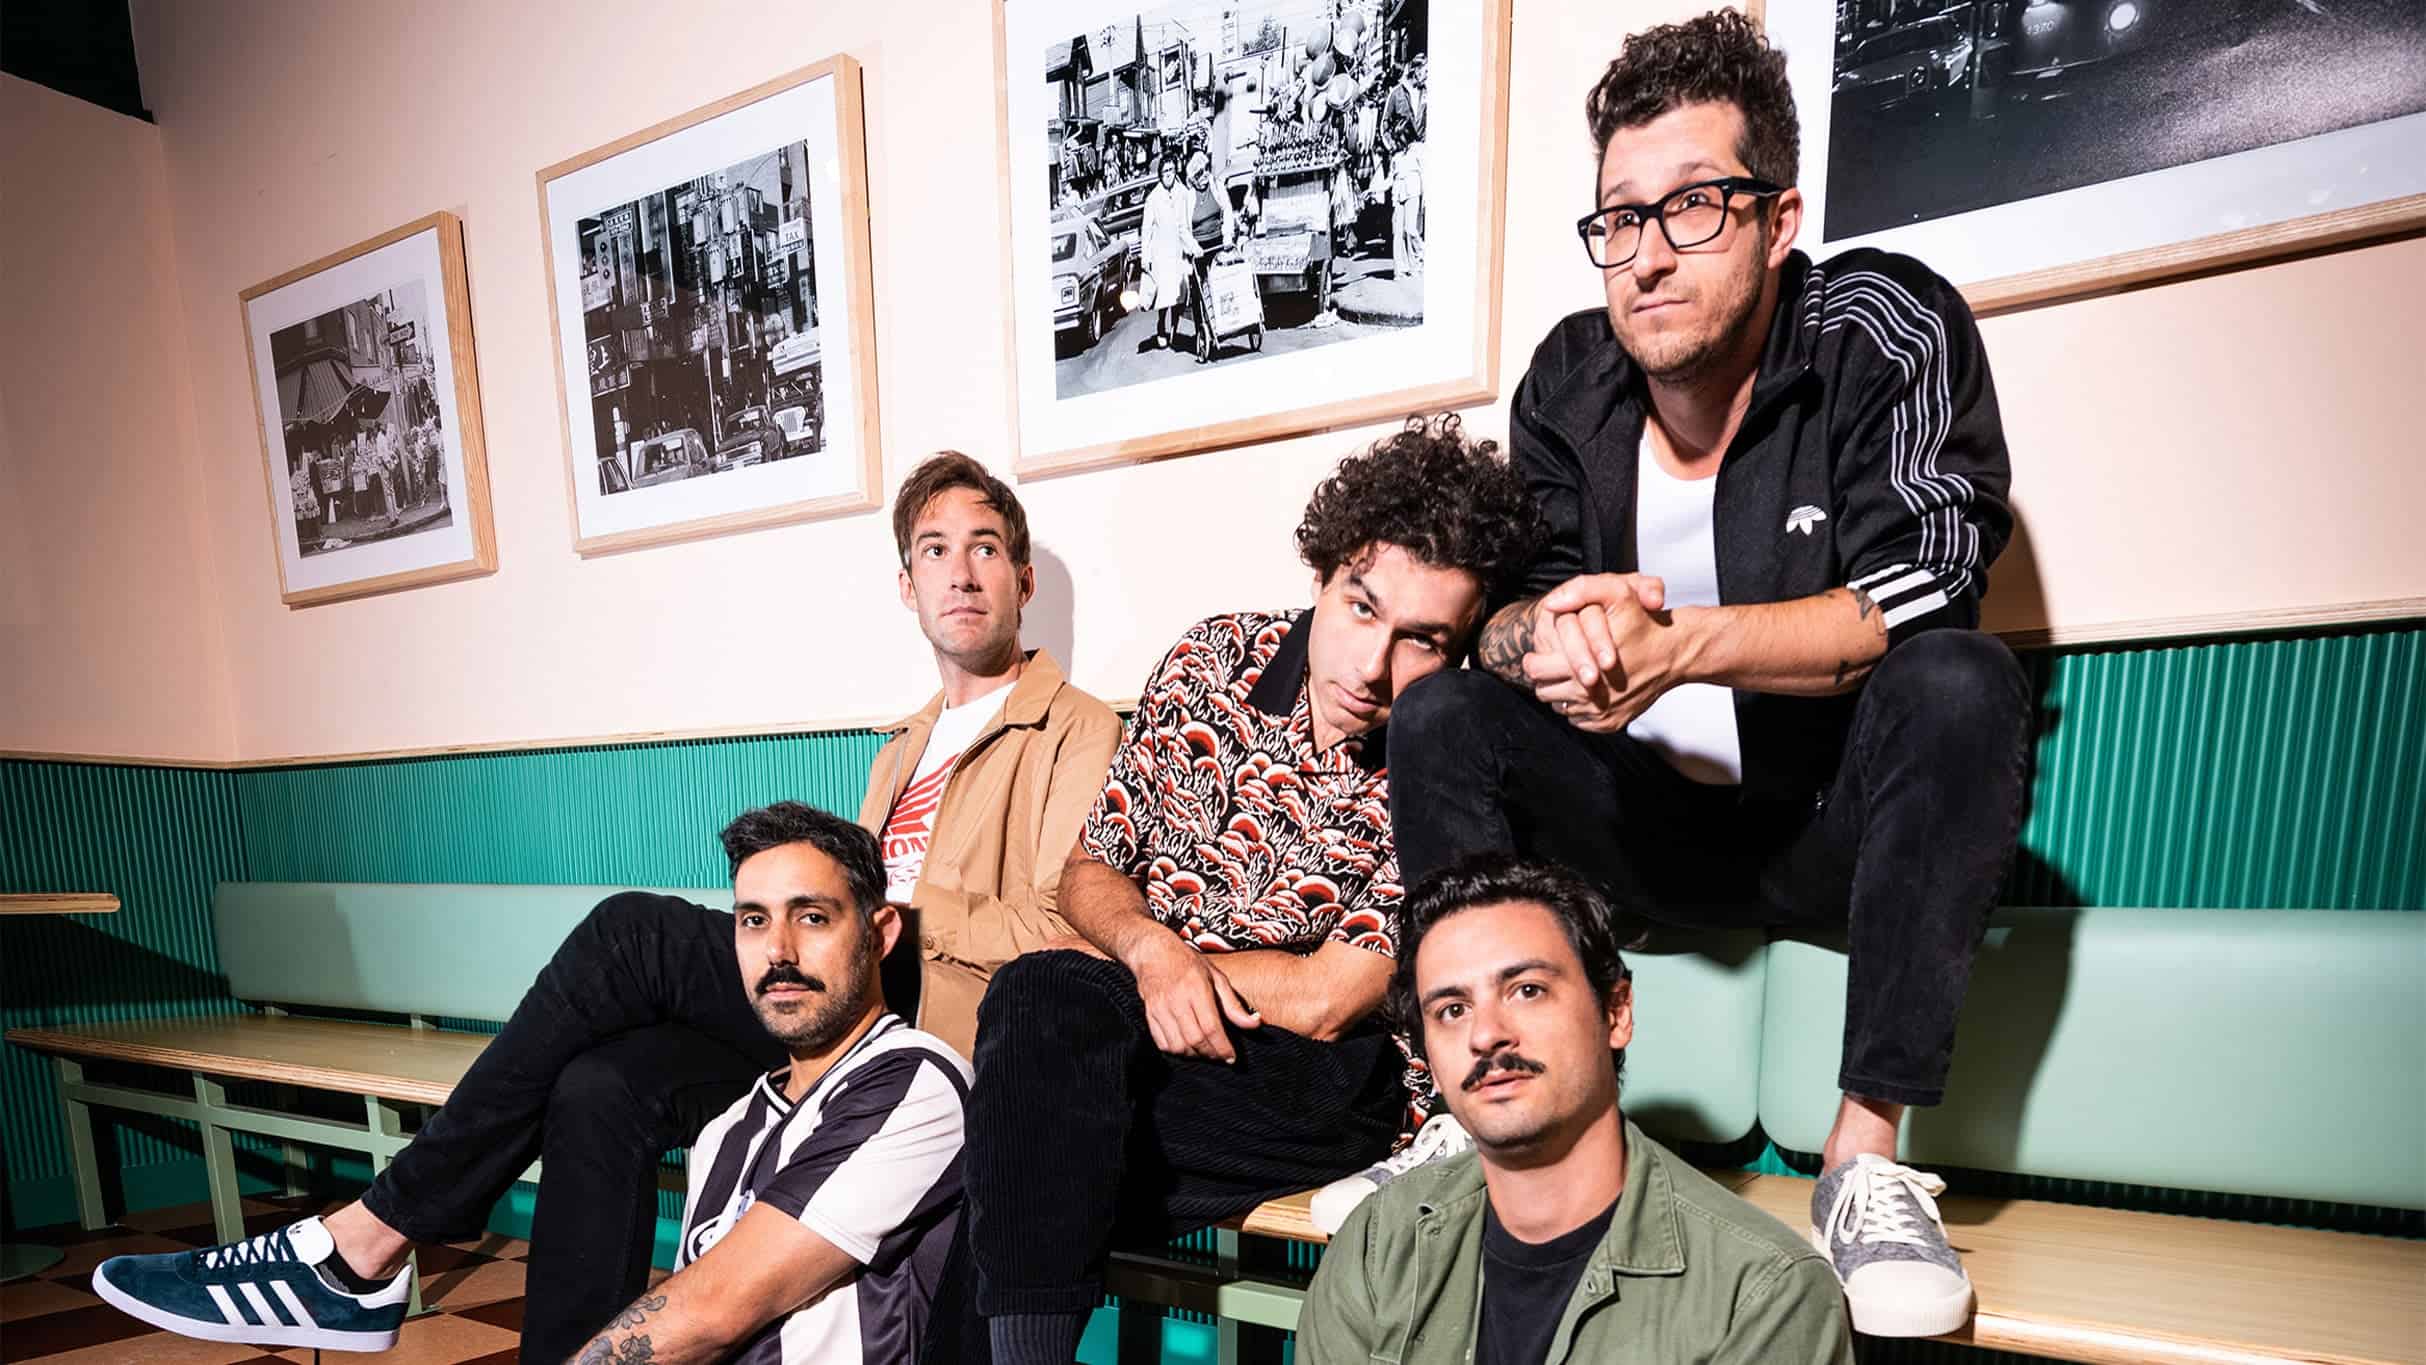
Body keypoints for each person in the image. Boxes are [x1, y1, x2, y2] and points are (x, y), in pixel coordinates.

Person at [93, 452, 1118, 1360]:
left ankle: (369, 1240)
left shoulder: (1076, 728)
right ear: (906, 585)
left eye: (985, 549)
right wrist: (835, 917)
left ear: (1021, 579)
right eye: (935, 550)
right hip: (840, 1016)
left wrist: (882, 913)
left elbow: (1065, 933)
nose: (960, 571)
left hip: (935, 1038)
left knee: (631, 932)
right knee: (600, 1086)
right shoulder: (902, 745)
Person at [1377, 10, 2026, 1338]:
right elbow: (1495, 623)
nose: (1648, 255)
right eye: (1620, 217)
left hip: (1833, 826)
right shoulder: (1567, 379)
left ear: (1778, 221)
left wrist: (1680, 646)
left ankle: (1861, 1163)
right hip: (1637, 836)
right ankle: (1460, 1128)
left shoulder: (1881, 327)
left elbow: (1921, 591)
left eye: (1692, 206)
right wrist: (1551, 631)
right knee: (1441, 710)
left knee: (1961, 679)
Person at [949, 416, 1542, 1365]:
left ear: (1462, 646)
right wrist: (1151, 951)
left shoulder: (1444, 752)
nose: (1372, 667)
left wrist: (1157, 972)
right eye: (1362, 608)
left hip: (1328, 1082)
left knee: (1018, 1120)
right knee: (1023, 1131)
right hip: (1145, 1038)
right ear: (1323, 574)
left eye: (1422, 641)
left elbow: (1325, 997)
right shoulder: (1212, 659)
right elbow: (1090, 869)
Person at [1297, 856, 1853, 1364]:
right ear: (1431, 1063)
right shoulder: (1379, 1242)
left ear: (1616, 1012)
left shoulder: (1764, 1295)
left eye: (1527, 990)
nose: (1486, 1035)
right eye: (1452, 1009)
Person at [1138, 156, 1191, 350]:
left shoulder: (1183, 193)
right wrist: (1145, 257)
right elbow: (1146, 230)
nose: (1168, 175)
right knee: (1164, 295)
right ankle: (1161, 327)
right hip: (1161, 253)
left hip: (1179, 250)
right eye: (1165, 171)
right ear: (1160, 175)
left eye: (1171, 170)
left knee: (1179, 294)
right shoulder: (1153, 199)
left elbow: (1188, 220)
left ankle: (1174, 328)